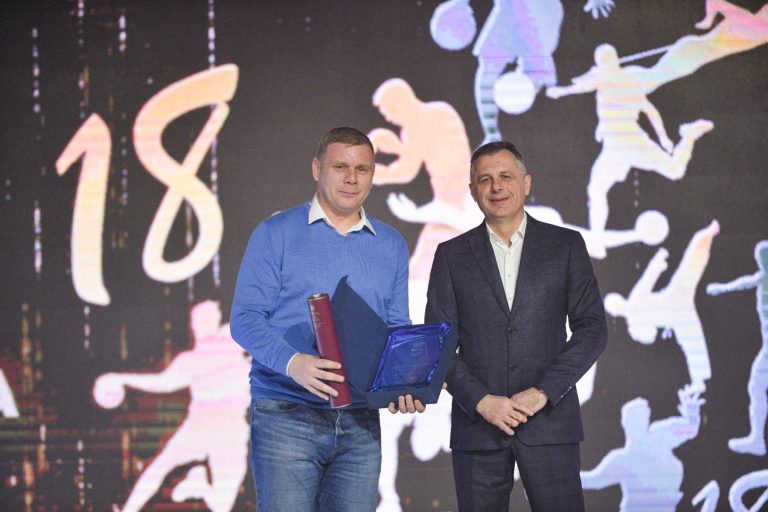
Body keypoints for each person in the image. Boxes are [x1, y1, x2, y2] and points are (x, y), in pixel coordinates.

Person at [230, 127, 422, 512]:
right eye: (340, 167)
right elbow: (245, 319)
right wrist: (293, 363)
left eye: (362, 169)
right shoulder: (276, 233)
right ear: (317, 169)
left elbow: (396, 327)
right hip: (287, 415)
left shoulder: (391, 244)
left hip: (360, 421)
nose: (352, 178)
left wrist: (405, 381)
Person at [425, 141, 607, 511]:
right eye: (485, 179)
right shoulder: (451, 255)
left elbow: (592, 329)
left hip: (550, 422)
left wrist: (543, 392)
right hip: (478, 428)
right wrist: (481, 401)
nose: (496, 187)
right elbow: (437, 344)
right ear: (473, 191)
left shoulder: (566, 245)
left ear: (526, 183)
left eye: (506, 176)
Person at [93, 301, 250, 512]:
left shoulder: (232, 340)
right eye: (200, 320)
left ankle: (200, 484)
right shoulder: (190, 361)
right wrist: (121, 379)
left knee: (222, 506)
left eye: (209, 317)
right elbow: (163, 383)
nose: (204, 324)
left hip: (231, 429)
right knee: (160, 467)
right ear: (194, 326)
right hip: (200, 426)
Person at [581, 386, 705, 511]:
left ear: (646, 419)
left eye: (641, 418)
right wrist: (567, 475)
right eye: (634, 420)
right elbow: (593, 480)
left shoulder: (660, 438)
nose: (638, 424)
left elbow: (690, 429)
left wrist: (692, 412)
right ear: (625, 423)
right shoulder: (622, 460)